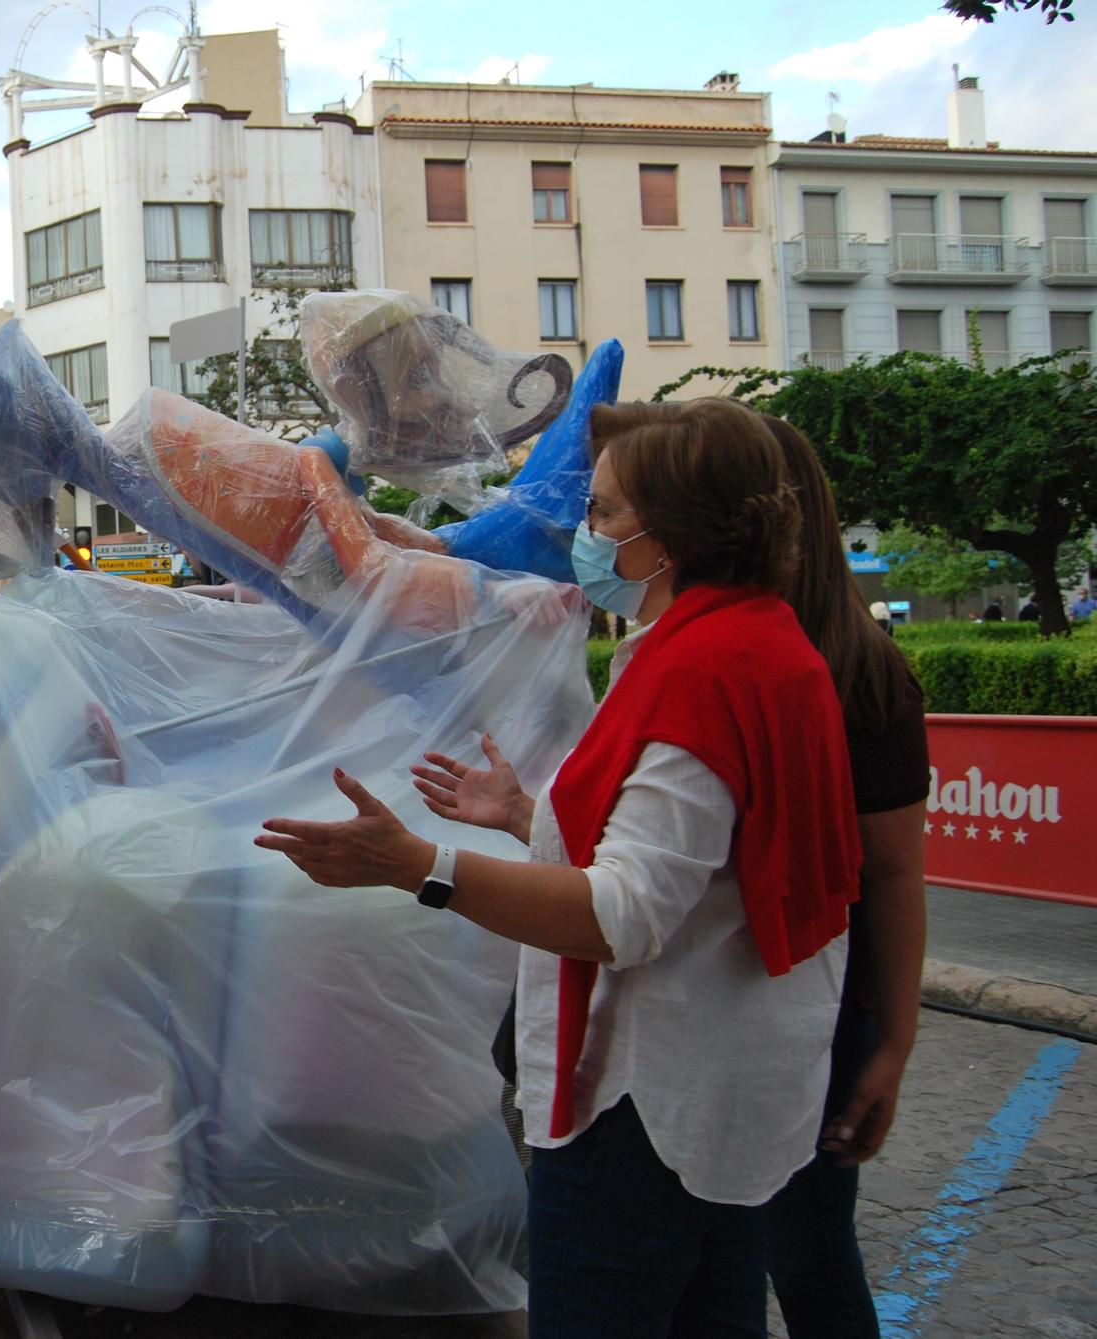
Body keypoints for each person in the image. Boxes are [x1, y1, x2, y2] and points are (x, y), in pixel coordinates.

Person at [256, 398, 861, 1338]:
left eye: (608, 513)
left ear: (672, 535)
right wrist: (530, 819)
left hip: (648, 1115)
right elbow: (704, 867)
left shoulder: (700, 670)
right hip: (727, 1099)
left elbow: (624, 914)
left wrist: (418, 863)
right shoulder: (760, 644)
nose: (588, 530)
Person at [758, 414, 929, 1337]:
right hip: (735, 1011)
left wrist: (891, 1044)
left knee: (809, 1253)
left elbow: (897, 875)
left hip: (820, 1015)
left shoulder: (859, 672)